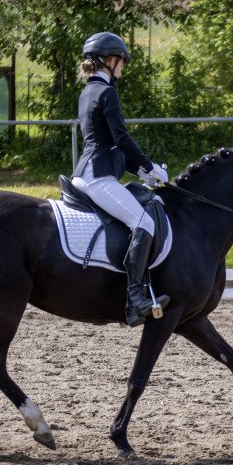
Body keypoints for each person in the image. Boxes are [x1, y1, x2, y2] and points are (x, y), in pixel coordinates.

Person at [72, 32, 170, 327]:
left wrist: (141, 172)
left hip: (89, 172)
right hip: (98, 177)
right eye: (121, 63)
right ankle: (135, 298)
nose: (123, 69)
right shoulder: (107, 93)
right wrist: (149, 165)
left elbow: (108, 144)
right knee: (145, 223)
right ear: (110, 61)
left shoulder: (88, 91)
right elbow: (121, 138)